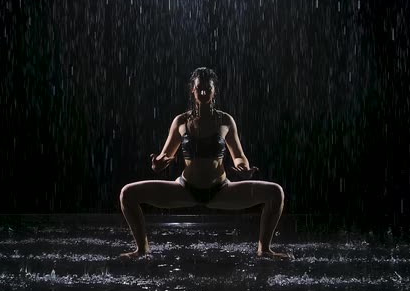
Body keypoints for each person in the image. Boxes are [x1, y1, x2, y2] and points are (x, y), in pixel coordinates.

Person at [119, 67, 290, 259]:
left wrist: (243, 167)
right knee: (128, 193)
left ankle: (264, 249)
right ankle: (142, 249)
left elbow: (239, 155)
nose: (203, 92)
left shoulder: (225, 120)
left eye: (207, 89)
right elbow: (164, 155)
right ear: (192, 89)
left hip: (220, 190)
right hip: (185, 188)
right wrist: (158, 164)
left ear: (214, 90)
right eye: (199, 88)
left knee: (275, 192)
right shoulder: (181, 121)